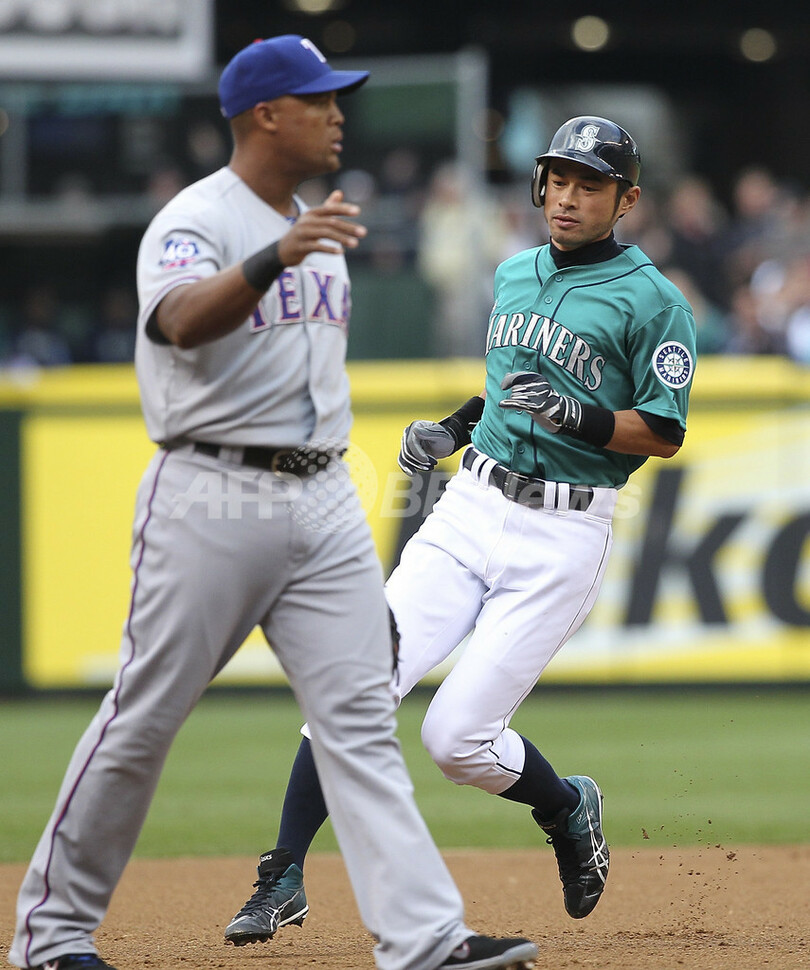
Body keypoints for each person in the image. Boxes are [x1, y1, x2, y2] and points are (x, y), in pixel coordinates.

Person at [9, 35, 538, 970]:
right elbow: (176, 321)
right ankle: (51, 936)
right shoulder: (195, 220)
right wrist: (273, 256)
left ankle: (423, 940)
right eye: (320, 100)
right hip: (211, 489)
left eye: (339, 100)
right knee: (144, 717)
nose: (339, 115)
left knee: (361, 720)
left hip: (323, 496)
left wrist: (297, 246)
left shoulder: (317, 227)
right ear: (265, 115)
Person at [223, 116, 697, 947]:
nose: (568, 196)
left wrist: (581, 415)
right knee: (356, 679)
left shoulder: (654, 301)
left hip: (561, 533)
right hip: (472, 505)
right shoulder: (515, 272)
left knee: (455, 741)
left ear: (627, 200)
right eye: (558, 178)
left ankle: (565, 805)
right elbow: (505, 394)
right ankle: (282, 877)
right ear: (538, 184)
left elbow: (662, 431)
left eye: (590, 184)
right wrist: (452, 428)